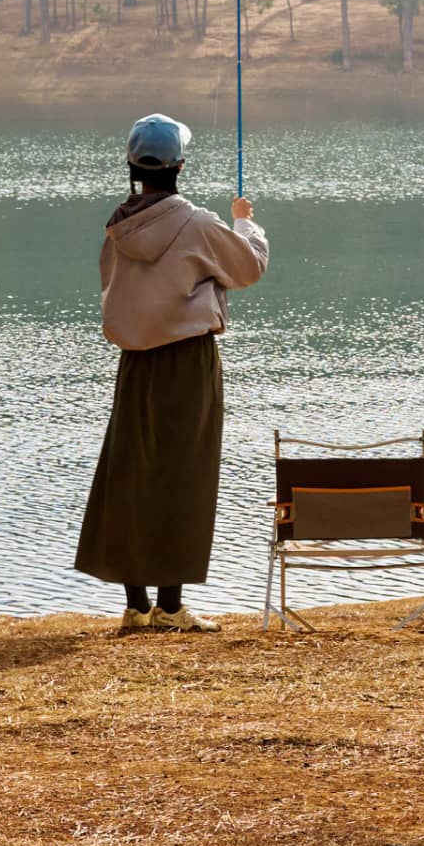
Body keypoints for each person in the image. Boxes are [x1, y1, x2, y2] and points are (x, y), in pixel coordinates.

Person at [76, 113, 269, 633]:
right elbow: (249, 268)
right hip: (187, 361)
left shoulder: (118, 229)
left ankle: (136, 607)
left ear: (134, 168)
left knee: (131, 473)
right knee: (185, 475)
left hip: (135, 363)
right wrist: (245, 223)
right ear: (180, 166)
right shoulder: (199, 223)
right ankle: (171, 607)